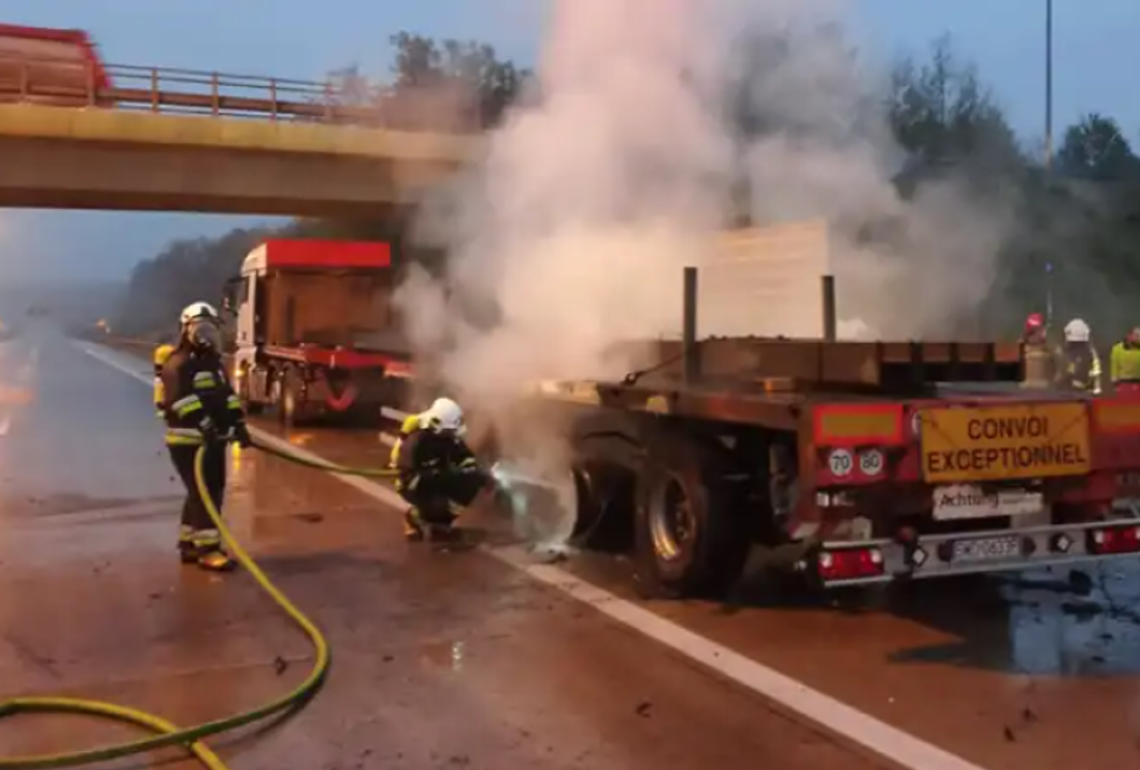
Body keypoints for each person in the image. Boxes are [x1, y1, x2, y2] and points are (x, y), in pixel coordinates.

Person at [159, 301, 251, 571]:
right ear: (186, 330)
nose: (205, 336)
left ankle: (188, 543)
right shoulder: (178, 364)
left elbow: (227, 397)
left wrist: (238, 424)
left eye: (210, 329)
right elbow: (180, 400)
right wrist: (204, 423)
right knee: (204, 492)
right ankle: (208, 551)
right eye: (200, 329)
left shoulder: (214, 364)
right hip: (188, 440)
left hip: (213, 439)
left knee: (202, 491)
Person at [390, 397, 488, 542]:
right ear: (438, 425)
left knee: (471, 484)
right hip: (414, 485)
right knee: (437, 505)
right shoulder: (416, 442)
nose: (453, 432)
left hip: (440, 479)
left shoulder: (448, 436)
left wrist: (472, 469)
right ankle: (413, 518)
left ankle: (441, 525)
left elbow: (464, 455)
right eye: (450, 428)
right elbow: (409, 476)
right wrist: (445, 475)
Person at [1055, 318, 1102, 395]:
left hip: (1073, 395)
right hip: (1078, 395)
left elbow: (1062, 375)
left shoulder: (1065, 354)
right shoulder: (1091, 354)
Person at [1110, 327, 1140, 395]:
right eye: (1137, 335)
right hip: (1123, 381)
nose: (1139, 338)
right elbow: (1114, 366)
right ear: (1129, 336)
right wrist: (1115, 383)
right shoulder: (1117, 348)